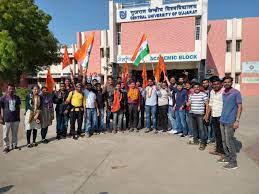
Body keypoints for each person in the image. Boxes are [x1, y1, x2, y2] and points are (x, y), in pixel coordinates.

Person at [219, 76, 242, 169]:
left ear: (232, 83)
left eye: (228, 82)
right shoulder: (224, 92)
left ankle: (233, 162)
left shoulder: (236, 93)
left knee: (229, 141)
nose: (226, 83)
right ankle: (227, 157)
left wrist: (237, 121)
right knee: (224, 141)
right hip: (222, 120)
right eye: (225, 82)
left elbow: (240, 107)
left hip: (231, 121)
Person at [205, 77, 225, 156]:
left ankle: (224, 153)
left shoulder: (224, 91)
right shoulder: (212, 91)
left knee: (223, 135)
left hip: (222, 116)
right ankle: (218, 150)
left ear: (221, 84)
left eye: (217, 84)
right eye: (214, 84)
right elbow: (210, 104)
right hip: (214, 115)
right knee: (217, 134)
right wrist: (207, 115)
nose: (216, 85)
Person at [0, 84, 21, 153]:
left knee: (15, 133)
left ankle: (14, 145)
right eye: (10, 89)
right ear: (7, 89)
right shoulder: (3, 98)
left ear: (14, 90)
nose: (11, 90)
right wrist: (1, 118)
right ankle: (6, 146)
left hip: (16, 119)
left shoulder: (17, 98)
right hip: (6, 119)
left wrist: (18, 117)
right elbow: (1, 108)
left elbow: (19, 108)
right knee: (5, 134)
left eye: (12, 89)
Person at [187, 83, 209, 150]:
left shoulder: (203, 94)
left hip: (200, 114)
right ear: (193, 88)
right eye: (195, 87)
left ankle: (203, 143)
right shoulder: (191, 95)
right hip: (192, 113)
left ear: (200, 88)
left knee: (201, 129)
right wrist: (187, 103)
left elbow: (207, 105)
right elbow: (189, 103)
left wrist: (206, 114)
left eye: (197, 87)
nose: (196, 88)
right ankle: (195, 140)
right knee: (194, 128)